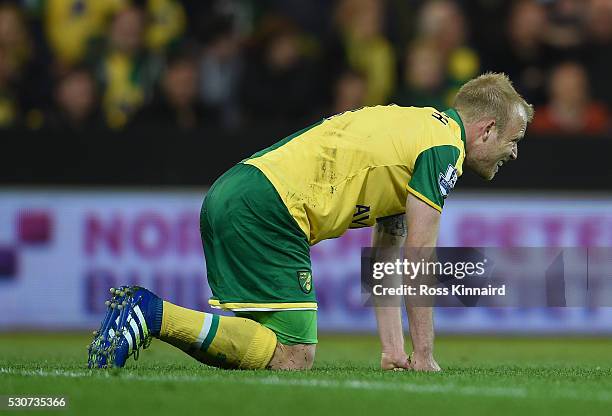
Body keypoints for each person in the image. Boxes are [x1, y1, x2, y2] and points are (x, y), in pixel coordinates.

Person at [88, 72, 533, 371]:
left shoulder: (417, 131)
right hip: (268, 208)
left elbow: (388, 257)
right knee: (296, 354)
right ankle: (150, 313)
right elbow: (419, 258)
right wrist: (425, 354)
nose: (515, 152)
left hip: (238, 191)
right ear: (486, 129)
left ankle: (148, 315)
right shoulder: (443, 150)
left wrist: (394, 349)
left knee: (257, 344)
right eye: (513, 140)